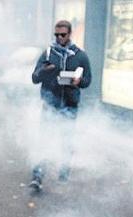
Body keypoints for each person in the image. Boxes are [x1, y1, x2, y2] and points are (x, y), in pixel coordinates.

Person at [30, 20, 91, 191]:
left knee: (66, 141)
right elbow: (34, 78)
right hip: (50, 105)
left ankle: (64, 171)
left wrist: (79, 81)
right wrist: (44, 70)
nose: (59, 38)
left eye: (62, 35)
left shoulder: (80, 56)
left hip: (70, 106)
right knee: (43, 141)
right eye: (56, 35)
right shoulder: (48, 53)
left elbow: (88, 81)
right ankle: (37, 177)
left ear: (69, 34)